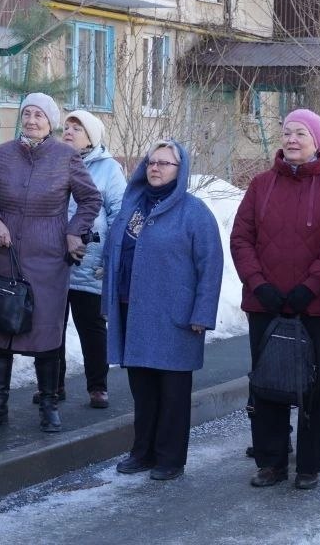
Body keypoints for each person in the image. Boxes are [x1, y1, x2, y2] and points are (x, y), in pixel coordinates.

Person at [230, 109, 320, 490]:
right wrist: (258, 284)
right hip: (265, 304)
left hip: (315, 305)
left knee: (313, 387)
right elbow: (241, 238)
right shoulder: (261, 184)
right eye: (286, 132)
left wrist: (310, 287)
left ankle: (309, 465)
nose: (291, 139)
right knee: (267, 383)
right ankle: (270, 462)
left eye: (300, 133)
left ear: (317, 142)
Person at [0, 93, 101, 433]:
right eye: (27, 113)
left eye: (39, 116)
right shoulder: (3, 154)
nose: (31, 120)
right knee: (1, 332)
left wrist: (75, 232)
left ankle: (49, 405)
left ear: (51, 123)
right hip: (5, 255)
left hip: (47, 261)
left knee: (46, 334)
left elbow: (91, 199)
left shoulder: (66, 157)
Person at [104, 140, 223, 481]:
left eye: (164, 163)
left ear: (179, 169)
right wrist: (108, 302)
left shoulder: (194, 212)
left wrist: (203, 312)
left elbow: (210, 265)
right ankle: (142, 451)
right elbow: (117, 256)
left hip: (176, 318)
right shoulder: (134, 207)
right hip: (134, 313)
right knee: (143, 389)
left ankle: (170, 457)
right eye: (151, 162)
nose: (155, 168)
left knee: (172, 392)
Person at [43, 110, 126, 409]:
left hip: (90, 261)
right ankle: (54, 384)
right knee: (52, 325)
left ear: (91, 136)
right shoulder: (52, 161)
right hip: (53, 259)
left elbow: (120, 214)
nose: (68, 131)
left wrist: (111, 257)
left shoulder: (108, 169)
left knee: (91, 326)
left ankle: (97, 386)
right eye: (66, 127)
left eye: (76, 128)